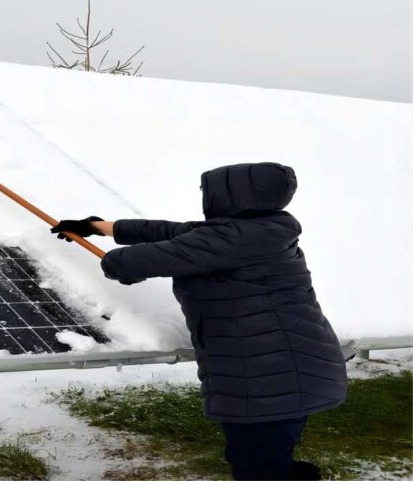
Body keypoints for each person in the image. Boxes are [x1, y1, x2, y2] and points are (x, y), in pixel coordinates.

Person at [52, 162, 347, 481]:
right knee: (270, 442)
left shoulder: (227, 239)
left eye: (208, 190)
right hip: (293, 362)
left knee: (252, 459)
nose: (205, 196)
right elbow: (169, 231)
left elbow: (128, 262)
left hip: (265, 371)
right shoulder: (264, 228)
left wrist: (118, 265)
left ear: (233, 194)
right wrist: (98, 227)